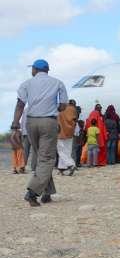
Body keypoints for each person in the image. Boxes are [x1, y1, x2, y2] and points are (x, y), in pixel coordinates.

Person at [10, 59, 68, 207]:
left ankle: (47, 193)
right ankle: (32, 192)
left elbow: (20, 105)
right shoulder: (58, 83)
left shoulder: (26, 84)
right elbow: (62, 106)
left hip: (30, 122)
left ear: (35, 70)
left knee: (41, 157)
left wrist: (15, 125)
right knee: (47, 159)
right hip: (48, 122)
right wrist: (52, 105)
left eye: (33, 69)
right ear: (47, 70)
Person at [56, 99, 78, 175]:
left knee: (61, 151)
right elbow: (75, 120)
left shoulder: (60, 108)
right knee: (67, 151)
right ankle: (61, 168)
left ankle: (71, 164)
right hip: (70, 132)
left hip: (60, 132)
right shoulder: (73, 109)